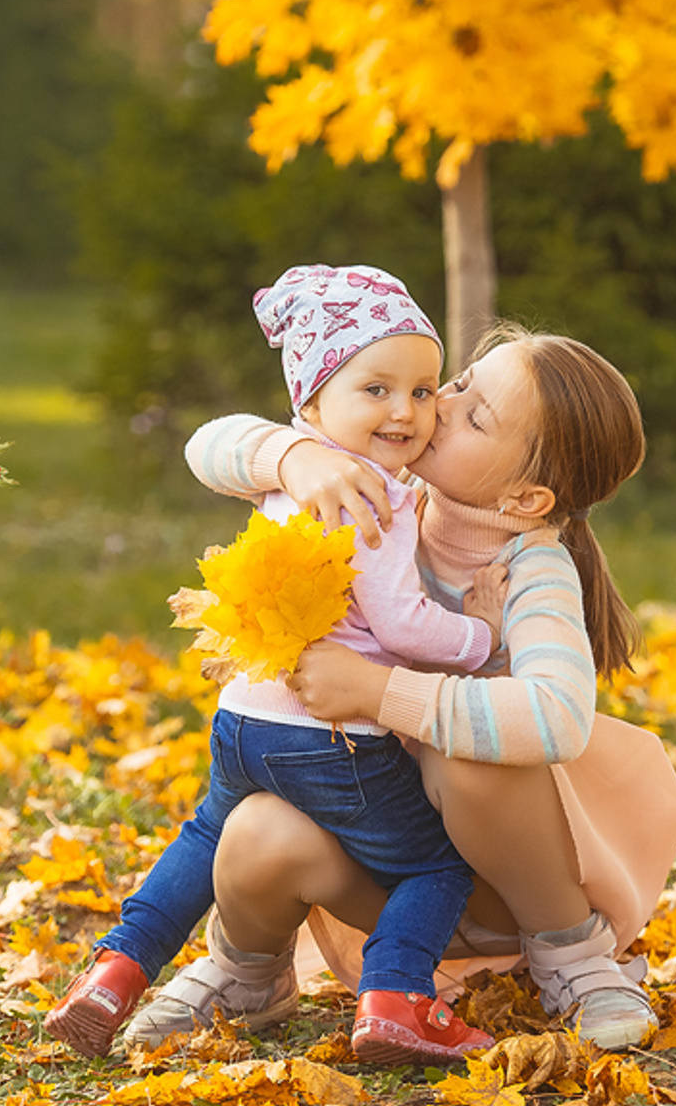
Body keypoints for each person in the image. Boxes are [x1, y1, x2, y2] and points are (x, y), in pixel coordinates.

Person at [134, 322, 676, 1054]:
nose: (436, 405)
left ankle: (573, 955)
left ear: (526, 498)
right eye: (457, 385)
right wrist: (294, 456)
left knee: (472, 761)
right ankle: (249, 971)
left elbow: (555, 718)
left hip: (502, 888)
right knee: (256, 827)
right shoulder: (383, 491)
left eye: (475, 415)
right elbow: (208, 448)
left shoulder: (529, 568)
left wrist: (376, 691)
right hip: (389, 867)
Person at [45, 265, 507, 1063]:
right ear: (312, 403)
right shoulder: (375, 493)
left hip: (244, 717)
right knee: (436, 866)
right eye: (376, 389)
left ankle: (114, 973)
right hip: (332, 735)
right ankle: (398, 997)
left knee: (204, 835)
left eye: (423, 390)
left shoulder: (292, 473)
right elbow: (401, 623)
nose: (404, 410)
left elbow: (227, 452)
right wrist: (482, 635)